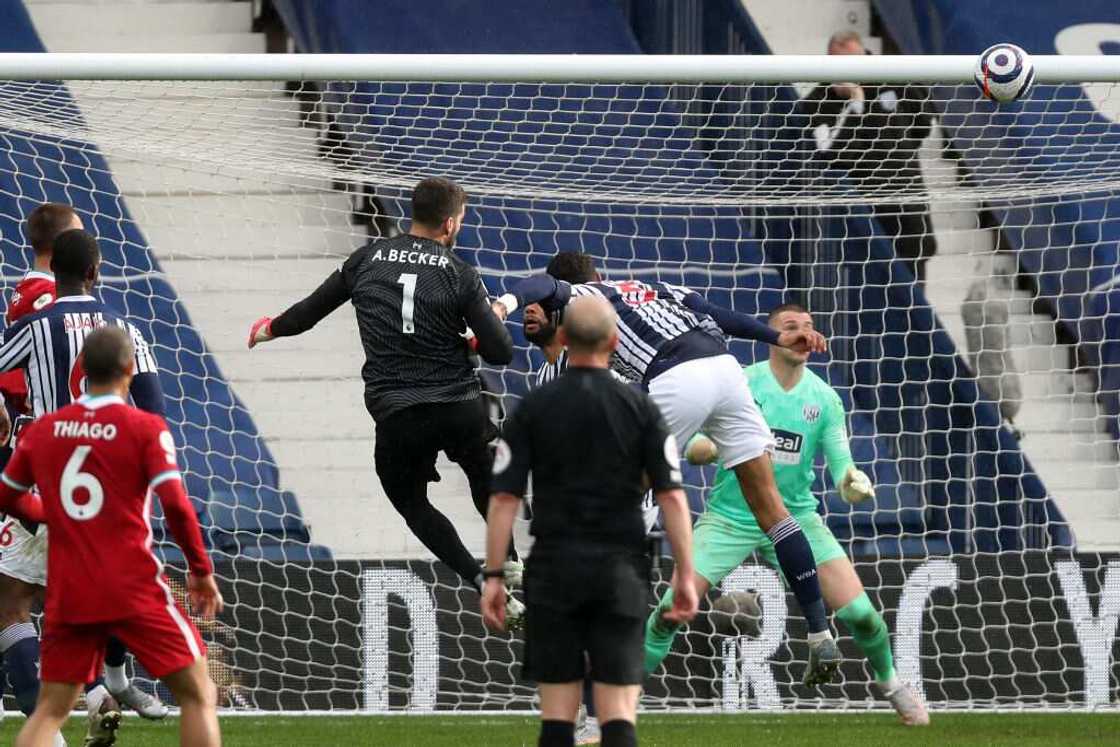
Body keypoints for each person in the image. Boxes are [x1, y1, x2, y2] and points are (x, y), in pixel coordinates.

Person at [493, 255, 842, 684]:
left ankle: (593, 681)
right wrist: (777, 338)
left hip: (672, 378)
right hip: (725, 369)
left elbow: (540, 285)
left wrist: (501, 305)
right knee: (774, 509)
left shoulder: (588, 297)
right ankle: (818, 630)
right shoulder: (655, 288)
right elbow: (719, 316)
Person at [247, 177, 525, 621]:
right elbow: (501, 353)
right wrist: (486, 321)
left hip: (399, 414)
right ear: (450, 224)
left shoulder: (365, 259)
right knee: (481, 469)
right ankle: (507, 562)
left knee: (411, 501)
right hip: (458, 404)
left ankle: (479, 581)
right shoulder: (459, 272)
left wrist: (269, 328)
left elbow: (308, 313)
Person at [647, 303, 929, 725]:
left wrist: (853, 482)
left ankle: (892, 684)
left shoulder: (824, 399)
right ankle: (612, 708)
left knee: (862, 617)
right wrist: (707, 448)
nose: (801, 332)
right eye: (790, 326)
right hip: (730, 518)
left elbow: (842, 465)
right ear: (772, 337)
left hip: (796, 519)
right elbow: (695, 445)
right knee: (669, 612)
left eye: (809, 326)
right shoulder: (741, 382)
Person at [481, 296, 698, 747]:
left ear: (562, 338)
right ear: (615, 341)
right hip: (619, 569)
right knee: (617, 716)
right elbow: (672, 498)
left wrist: (495, 575)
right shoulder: (641, 408)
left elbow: (503, 498)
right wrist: (687, 576)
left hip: (554, 569)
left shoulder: (534, 407)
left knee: (558, 719)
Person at [0, 326, 222, 747]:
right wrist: (200, 570)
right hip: (130, 583)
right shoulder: (145, 428)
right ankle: (114, 685)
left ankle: (104, 690)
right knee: (197, 692)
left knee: (51, 710)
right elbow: (175, 503)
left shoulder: (46, 430)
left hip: (71, 589)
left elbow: (7, 497)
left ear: (82, 368)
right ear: (129, 369)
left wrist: (51, 512)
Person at [0, 226, 169, 744]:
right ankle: (101, 691)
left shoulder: (33, 326)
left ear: (55, 274)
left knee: (10, 603)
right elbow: (157, 416)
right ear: (96, 272)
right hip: (106, 496)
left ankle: (73, 715)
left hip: (49, 480)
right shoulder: (126, 331)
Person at [796, 31, 937, 284]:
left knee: (913, 290)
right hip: (860, 213)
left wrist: (893, 151)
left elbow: (922, 124)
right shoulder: (818, 103)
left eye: (859, 61)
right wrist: (856, 105)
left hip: (907, 203)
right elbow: (834, 154)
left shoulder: (895, 79)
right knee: (867, 288)